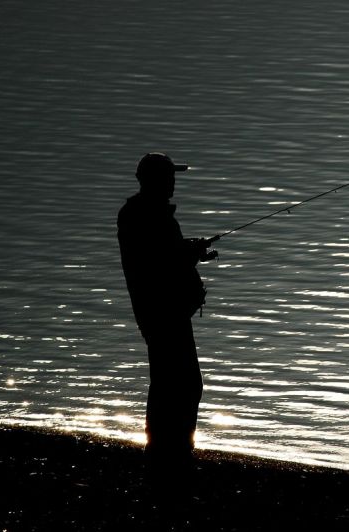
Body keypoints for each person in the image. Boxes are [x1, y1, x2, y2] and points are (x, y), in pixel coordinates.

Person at [117, 152, 218, 473]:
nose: (174, 182)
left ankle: (166, 447)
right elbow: (159, 263)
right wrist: (190, 255)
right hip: (164, 311)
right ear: (154, 180)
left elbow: (162, 253)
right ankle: (173, 450)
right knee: (183, 382)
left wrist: (189, 251)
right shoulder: (150, 215)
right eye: (169, 176)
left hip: (158, 309)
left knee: (170, 381)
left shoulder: (142, 213)